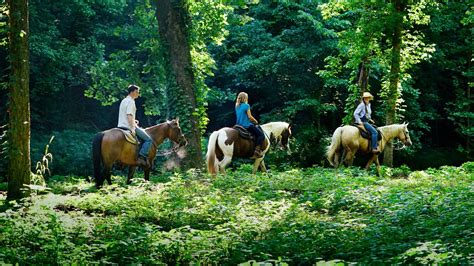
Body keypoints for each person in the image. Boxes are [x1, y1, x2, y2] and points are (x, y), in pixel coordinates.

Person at [118, 84, 153, 167]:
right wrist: (133, 128)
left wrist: (134, 121)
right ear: (132, 92)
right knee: (149, 140)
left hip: (120, 125)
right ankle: (141, 156)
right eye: (137, 92)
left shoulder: (124, 100)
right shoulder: (131, 101)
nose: (138, 94)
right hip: (128, 127)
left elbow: (126, 115)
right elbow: (129, 115)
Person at [235, 92, 264, 158]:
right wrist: (255, 121)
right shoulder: (246, 105)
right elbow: (249, 117)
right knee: (261, 135)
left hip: (238, 125)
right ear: (245, 98)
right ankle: (257, 150)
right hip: (246, 125)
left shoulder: (237, 105)